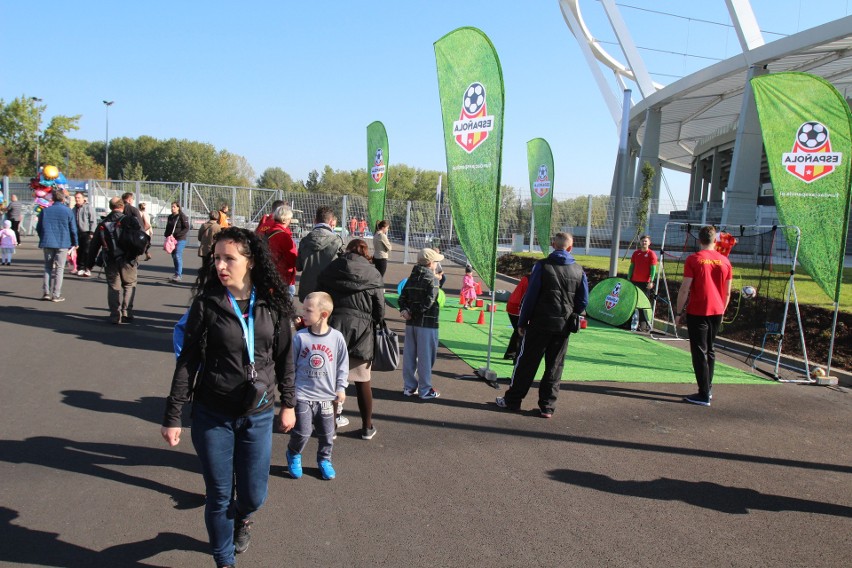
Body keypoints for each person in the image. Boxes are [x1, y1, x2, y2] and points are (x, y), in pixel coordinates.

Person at [162, 227, 296, 568]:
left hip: (259, 413)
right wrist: (173, 415)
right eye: (217, 258)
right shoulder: (206, 305)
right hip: (213, 415)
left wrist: (290, 403)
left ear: (249, 262)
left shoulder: (272, 304)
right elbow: (187, 361)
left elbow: (285, 358)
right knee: (219, 495)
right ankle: (224, 560)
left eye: (229, 259)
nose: (220, 265)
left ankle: (242, 518)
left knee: (254, 495)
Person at [496, 233, 588, 418]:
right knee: (555, 366)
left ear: (554, 245)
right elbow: (583, 301)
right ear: (570, 248)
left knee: (526, 363)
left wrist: (522, 321)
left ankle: (513, 400)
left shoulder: (542, 265)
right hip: (563, 326)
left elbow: (530, 297)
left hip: (539, 322)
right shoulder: (579, 270)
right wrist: (571, 311)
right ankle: (547, 407)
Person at [318, 239, 384, 440]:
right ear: (366, 253)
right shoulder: (373, 273)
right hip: (362, 332)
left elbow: (319, 294)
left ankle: (331, 428)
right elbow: (379, 310)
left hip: (333, 328)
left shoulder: (332, 269)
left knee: (333, 381)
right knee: (363, 381)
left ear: (347, 251)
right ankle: (367, 427)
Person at [285, 291, 348, 481]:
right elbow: (291, 366)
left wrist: (341, 387)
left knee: (328, 434)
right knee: (302, 432)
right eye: (303, 308)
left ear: (323, 314)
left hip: (327, 397)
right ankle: (294, 454)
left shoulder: (336, 338)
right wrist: (289, 391)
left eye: (308, 310)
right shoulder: (300, 337)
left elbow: (342, 365)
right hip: (303, 395)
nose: (303, 313)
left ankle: (324, 459)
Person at [675, 225, 733, 407]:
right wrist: (722, 310)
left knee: (699, 351)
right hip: (716, 310)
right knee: (710, 349)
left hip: (699, 310)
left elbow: (685, 288)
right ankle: (708, 387)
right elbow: (728, 292)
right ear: (715, 241)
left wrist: (678, 313)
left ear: (699, 240)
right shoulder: (725, 261)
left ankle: (703, 393)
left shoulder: (694, 259)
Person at [85, 197, 142, 324]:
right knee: (129, 285)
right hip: (128, 259)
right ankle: (127, 312)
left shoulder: (103, 223)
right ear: (122, 206)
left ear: (111, 207)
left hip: (110, 258)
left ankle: (115, 315)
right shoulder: (130, 220)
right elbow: (140, 238)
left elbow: (94, 245)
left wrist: (89, 264)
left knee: (113, 287)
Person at [398, 248, 443, 400]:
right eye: (436, 261)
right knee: (426, 357)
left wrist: (405, 310)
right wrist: (413, 312)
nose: (437, 264)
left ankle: (409, 387)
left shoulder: (412, 277)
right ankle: (425, 389)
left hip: (411, 324)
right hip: (427, 324)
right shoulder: (433, 279)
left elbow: (402, 297)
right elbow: (429, 302)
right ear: (431, 263)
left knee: (410, 355)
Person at [36, 190, 78, 302]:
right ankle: (56, 294)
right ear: (63, 199)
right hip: (63, 242)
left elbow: (38, 228)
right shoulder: (68, 211)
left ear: (52, 199)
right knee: (60, 268)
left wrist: (43, 238)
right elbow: (73, 229)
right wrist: (75, 243)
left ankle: (46, 293)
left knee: (48, 267)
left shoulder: (45, 211)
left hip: (48, 242)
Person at [296, 206, 344, 302]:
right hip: (328, 289)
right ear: (331, 221)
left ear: (315, 220)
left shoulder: (304, 241)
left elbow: (298, 266)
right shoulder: (337, 240)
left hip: (308, 289)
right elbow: (342, 267)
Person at [265, 205, 298, 297]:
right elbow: (292, 259)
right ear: (284, 219)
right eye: (289, 219)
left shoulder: (268, 231)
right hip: (283, 275)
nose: (290, 221)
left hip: (270, 273)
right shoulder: (283, 236)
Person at [629, 234, 658, 332]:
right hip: (634, 281)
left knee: (643, 304)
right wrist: (629, 278)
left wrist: (651, 281)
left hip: (645, 283)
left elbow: (653, 269)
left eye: (646, 241)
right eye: (642, 241)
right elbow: (632, 267)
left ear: (649, 243)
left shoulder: (651, 254)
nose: (644, 242)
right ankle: (632, 323)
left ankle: (643, 325)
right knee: (633, 302)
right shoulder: (636, 253)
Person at [503, 273, 530, 360]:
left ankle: (510, 353)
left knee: (517, 331)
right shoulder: (532, 280)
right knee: (521, 332)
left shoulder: (527, 277)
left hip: (512, 304)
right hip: (517, 307)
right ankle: (517, 357)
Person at [164, 201, 190, 282]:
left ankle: (179, 275)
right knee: (174, 256)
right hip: (171, 240)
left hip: (180, 239)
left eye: (174, 207)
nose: (172, 208)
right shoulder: (170, 217)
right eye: (171, 207)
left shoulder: (182, 216)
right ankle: (176, 273)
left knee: (177, 255)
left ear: (178, 207)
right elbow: (168, 227)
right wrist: (166, 236)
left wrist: (178, 235)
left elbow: (186, 228)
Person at [73, 192, 97, 277]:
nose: (77, 199)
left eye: (79, 198)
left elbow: (93, 220)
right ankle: (80, 268)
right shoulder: (74, 209)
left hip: (87, 232)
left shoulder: (88, 207)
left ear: (83, 198)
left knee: (87, 251)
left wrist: (92, 232)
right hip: (77, 233)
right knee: (79, 251)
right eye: (76, 198)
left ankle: (88, 268)